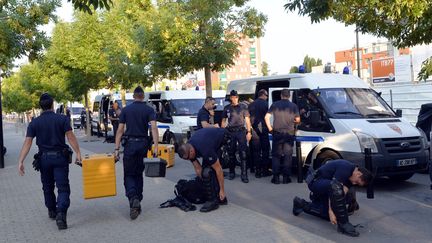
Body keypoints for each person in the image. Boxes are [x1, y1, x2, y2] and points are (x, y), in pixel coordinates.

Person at [17, 93, 82, 230]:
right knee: (63, 188)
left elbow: (28, 142)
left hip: (44, 159)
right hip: (60, 158)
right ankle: (61, 213)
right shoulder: (62, 119)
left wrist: (21, 161)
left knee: (47, 187)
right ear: (52, 104)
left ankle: (52, 210)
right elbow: (70, 137)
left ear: (41, 106)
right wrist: (78, 153)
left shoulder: (34, 122)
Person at [293, 160, 373, 237]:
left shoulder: (351, 176)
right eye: (357, 182)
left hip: (326, 186)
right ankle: (344, 224)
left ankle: (300, 204)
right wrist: (331, 211)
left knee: (328, 215)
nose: (354, 183)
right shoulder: (345, 168)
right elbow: (335, 189)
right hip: (315, 182)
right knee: (336, 188)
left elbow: (341, 194)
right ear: (358, 174)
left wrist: (334, 212)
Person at [114, 86, 159, 220]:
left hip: (130, 145)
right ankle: (137, 199)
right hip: (143, 145)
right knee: (139, 173)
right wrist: (156, 145)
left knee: (129, 173)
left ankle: (133, 197)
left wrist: (116, 149)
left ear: (134, 96)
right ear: (143, 96)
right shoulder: (149, 110)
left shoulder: (126, 110)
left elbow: (120, 130)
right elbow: (154, 128)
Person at [178, 128, 229, 212]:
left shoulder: (205, 148)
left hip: (224, 139)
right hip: (208, 140)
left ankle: (216, 200)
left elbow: (219, 169)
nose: (189, 159)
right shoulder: (188, 148)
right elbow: (198, 168)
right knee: (204, 174)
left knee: (208, 172)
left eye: (188, 158)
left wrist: (222, 190)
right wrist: (203, 184)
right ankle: (214, 195)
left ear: (191, 151)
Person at [265, 89, 300, 184]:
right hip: (289, 133)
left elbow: (266, 117)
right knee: (287, 156)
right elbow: (297, 119)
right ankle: (286, 178)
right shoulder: (294, 106)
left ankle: (275, 178)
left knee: (276, 156)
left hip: (277, 133)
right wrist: (294, 122)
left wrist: (270, 129)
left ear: (281, 95)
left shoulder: (275, 104)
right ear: (289, 96)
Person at [222, 90, 252, 183]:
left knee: (243, 154)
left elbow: (247, 121)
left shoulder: (243, 107)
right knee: (231, 154)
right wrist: (222, 131)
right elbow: (223, 121)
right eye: (232, 97)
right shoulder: (227, 108)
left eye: (236, 97)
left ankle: (244, 175)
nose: (234, 99)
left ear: (238, 98)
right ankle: (232, 173)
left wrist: (249, 132)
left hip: (241, 132)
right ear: (230, 98)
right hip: (231, 132)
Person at [248, 89, 271, 178]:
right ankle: (264, 170)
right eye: (266, 95)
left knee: (256, 151)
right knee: (265, 150)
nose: (267, 97)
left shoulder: (251, 105)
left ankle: (257, 171)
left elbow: (248, 117)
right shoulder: (266, 104)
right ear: (263, 95)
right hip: (264, 129)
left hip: (254, 129)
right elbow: (268, 117)